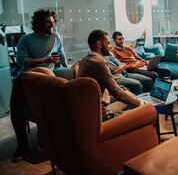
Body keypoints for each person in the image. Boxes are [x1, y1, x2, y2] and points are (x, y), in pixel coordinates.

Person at [10, 9, 68, 162]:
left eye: (53, 21)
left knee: (50, 108)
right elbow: (21, 61)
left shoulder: (56, 37)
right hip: (26, 76)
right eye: (48, 22)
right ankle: (22, 146)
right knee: (16, 109)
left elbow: (61, 54)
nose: (52, 24)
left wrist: (67, 66)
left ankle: (43, 140)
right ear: (39, 24)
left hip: (46, 77)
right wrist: (45, 60)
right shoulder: (26, 39)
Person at [78, 30, 146, 121]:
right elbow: (117, 93)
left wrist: (126, 93)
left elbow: (106, 90)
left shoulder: (85, 60)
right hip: (102, 115)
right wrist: (141, 103)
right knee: (140, 106)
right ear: (99, 44)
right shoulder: (99, 63)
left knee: (130, 97)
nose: (110, 46)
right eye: (108, 43)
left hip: (91, 111)